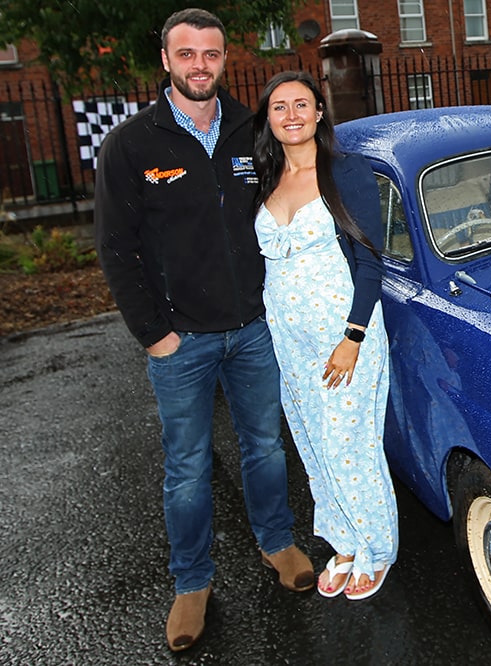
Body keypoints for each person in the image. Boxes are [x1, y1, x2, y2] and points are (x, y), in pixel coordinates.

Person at [94, 8, 314, 653]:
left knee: (266, 450)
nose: (200, 66)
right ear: (166, 61)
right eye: (186, 55)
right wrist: (153, 334)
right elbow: (114, 246)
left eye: (211, 55)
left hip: (252, 329)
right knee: (187, 468)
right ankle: (192, 583)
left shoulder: (253, 128)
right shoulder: (134, 143)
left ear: (224, 59)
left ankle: (278, 544)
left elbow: (293, 200)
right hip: (179, 340)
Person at [252, 71, 397, 601]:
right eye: (279, 107)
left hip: (344, 334)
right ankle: (342, 542)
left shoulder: (346, 173)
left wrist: (353, 336)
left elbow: (368, 260)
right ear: (268, 119)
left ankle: (374, 548)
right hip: (289, 339)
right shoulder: (265, 179)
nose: (291, 114)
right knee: (313, 443)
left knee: (350, 445)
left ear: (318, 113)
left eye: (302, 104)